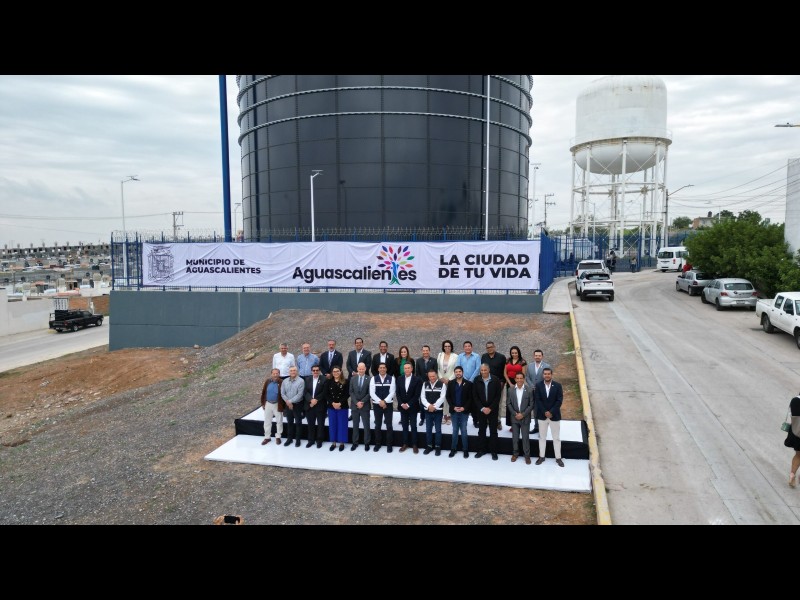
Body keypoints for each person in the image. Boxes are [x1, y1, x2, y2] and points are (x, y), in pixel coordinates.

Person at [533, 367, 564, 467]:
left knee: (556, 438)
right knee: (542, 437)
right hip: (542, 416)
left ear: (551, 375)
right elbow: (538, 400)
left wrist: (551, 412)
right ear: (543, 375)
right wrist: (545, 412)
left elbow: (559, 400)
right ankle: (541, 457)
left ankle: (558, 458)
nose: (547, 375)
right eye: (545, 374)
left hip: (554, 416)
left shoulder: (558, 385)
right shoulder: (538, 385)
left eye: (548, 374)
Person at [472, 363, 502, 460]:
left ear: (489, 370)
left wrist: (490, 408)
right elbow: (475, 396)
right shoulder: (476, 380)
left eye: (485, 370)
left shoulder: (495, 380)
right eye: (482, 370)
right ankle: (481, 450)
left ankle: (494, 451)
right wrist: (482, 408)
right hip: (481, 410)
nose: (483, 372)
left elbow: (498, 396)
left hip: (493, 410)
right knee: (481, 430)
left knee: (493, 431)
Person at [446, 366, 473, 458]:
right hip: (454, 411)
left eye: (459, 371)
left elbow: (470, 398)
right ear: (454, 373)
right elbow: (448, 397)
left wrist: (464, 408)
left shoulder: (468, 384)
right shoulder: (451, 383)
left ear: (462, 372)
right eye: (456, 372)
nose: (458, 373)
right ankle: (453, 449)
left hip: (464, 411)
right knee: (455, 430)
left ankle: (465, 449)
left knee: (464, 430)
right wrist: (453, 407)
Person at [396, 361, 422, 453]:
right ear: (404, 369)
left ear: (412, 369)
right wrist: (401, 404)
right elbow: (397, 393)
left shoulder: (417, 380)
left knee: (413, 426)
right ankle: (405, 443)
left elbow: (417, 395)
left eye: (408, 368)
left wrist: (408, 404)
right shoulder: (399, 378)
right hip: (402, 407)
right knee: (404, 426)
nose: (407, 369)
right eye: (405, 368)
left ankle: (415, 444)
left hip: (413, 407)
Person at [369, 362, 395, 453]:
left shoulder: (391, 378)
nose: (382, 369)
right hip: (377, 405)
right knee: (378, 425)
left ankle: (389, 444)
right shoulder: (373, 378)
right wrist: (380, 402)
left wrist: (385, 401)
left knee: (389, 425)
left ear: (386, 369)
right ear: (378, 369)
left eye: (384, 367)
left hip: (388, 405)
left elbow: (392, 392)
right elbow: (372, 392)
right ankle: (378, 444)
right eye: (381, 367)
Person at [480, 341, 506, 431]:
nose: (489, 349)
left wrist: (503, 382)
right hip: (486, 383)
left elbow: (504, 371)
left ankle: (498, 421)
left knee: (498, 403)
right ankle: (488, 420)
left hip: (498, 384)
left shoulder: (501, 357)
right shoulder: (484, 357)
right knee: (487, 402)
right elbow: (482, 370)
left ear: (494, 347)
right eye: (488, 347)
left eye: (491, 347)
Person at [508, 371, 533, 464]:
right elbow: (508, 403)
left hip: (525, 418)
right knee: (515, 438)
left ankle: (527, 456)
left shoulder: (529, 390)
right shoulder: (510, 390)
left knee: (525, 438)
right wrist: (515, 414)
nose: (519, 380)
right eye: (517, 378)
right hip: (514, 418)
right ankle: (515, 454)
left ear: (523, 379)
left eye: (521, 378)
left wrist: (523, 414)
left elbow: (531, 404)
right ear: (515, 379)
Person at [525, 349, 551, 435]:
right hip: (532, 391)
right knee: (535, 410)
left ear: (542, 356)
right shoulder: (530, 366)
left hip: (542, 392)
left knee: (542, 409)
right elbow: (527, 377)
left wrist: (540, 387)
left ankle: (543, 428)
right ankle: (536, 427)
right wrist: (532, 386)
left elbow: (548, 378)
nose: (537, 357)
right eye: (536, 355)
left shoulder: (547, 366)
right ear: (534, 356)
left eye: (539, 356)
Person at [421, 369, 446, 455]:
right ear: (428, 376)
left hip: (438, 411)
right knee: (428, 429)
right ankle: (429, 446)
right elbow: (422, 397)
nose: (432, 378)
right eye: (430, 376)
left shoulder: (442, 384)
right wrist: (429, 406)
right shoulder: (425, 384)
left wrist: (434, 406)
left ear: (436, 376)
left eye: (433, 376)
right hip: (428, 411)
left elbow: (442, 397)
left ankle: (438, 447)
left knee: (438, 429)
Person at [323, 366, 349, 452]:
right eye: (334, 371)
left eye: (337, 371)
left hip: (342, 406)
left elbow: (347, 394)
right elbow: (326, 394)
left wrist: (340, 403)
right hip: (332, 406)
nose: (336, 373)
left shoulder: (346, 381)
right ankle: (333, 443)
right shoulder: (328, 382)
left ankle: (341, 443)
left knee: (342, 425)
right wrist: (333, 403)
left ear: (341, 371)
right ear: (332, 373)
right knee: (332, 424)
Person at [349, 362, 372, 451]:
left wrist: (362, 402)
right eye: (360, 369)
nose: (361, 370)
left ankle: (367, 443)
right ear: (357, 369)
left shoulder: (369, 379)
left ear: (365, 369)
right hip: (354, 406)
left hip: (365, 406)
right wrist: (356, 402)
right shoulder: (353, 379)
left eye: (363, 369)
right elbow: (351, 392)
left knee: (366, 425)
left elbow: (370, 393)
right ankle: (355, 442)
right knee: (355, 425)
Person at [456, 341, 480, 425]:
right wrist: (465, 379)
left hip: (474, 382)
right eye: (465, 346)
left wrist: (470, 380)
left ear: (471, 347)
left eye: (469, 346)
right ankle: (462, 420)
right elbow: (458, 367)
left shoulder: (476, 356)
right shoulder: (460, 356)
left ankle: (475, 420)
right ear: (463, 348)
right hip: (463, 382)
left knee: (474, 402)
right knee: (463, 400)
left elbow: (478, 368)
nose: (467, 347)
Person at [280, 365, 305, 447]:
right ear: (289, 372)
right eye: (291, 371)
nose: (293, 372)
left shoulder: (301, 381)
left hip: (297, 405)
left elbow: (300, 394)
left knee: (298, 422)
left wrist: (290, 401)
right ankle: (289, 439)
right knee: (289, 422)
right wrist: (288, 402)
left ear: (297, 371)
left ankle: (298, 439)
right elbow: (282, 393)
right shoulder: (285, 381)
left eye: (294, 370)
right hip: (288, 405)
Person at [504, 345, 527, 429]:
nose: (514, 354)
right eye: (512, 353)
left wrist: (518, 384)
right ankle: (511, 424)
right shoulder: (507, 360)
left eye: (516, 353)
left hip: (519, 382)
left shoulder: (522, 361)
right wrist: (510, 383)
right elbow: (505, 373)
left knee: (518, 403)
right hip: (509, 383)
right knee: (510, 403)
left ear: (518, 353)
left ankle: (519, 423)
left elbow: (523, 374)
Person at [260, 368, 285, 445]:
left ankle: (278, 437)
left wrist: (283, 406)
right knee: (267, 421)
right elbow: (264, 392)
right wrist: (263, 403)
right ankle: (267, 437)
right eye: (274, 373)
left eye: (277, 373)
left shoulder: (282, 382)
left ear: (279, 374)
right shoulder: (267, 381)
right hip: (268, 404)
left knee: (279, 421)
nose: (275, 375)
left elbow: (284, 394)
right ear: (271, 374)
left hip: (277, 404)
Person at [303, 365, 326, 448]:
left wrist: (315, 400)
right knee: (310, 424)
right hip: (310, 406)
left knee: (320, 424)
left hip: (320, 405)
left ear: (319, 371)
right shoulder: (307, 379)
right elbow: (305, 392)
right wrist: (310, 400)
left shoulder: (324, 379)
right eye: (314, 370)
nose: (315, 372)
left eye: (317, 370)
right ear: (311, 371)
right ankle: (311, 440)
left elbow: (324, 392)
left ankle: (319, 440)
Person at [436, 340, 457, 425]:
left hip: (451, 380)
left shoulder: (455, 356)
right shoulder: (440, 355)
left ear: (451, 347)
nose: (447, 348)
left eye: (449, 346)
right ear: (443, 347)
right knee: (442, 397)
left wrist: (449, 379)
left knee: (449, 398)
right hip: (442, 380)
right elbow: (437, 368)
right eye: (445, 346)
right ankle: (444, 415)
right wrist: (441, 377)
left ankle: (449, 415)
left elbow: (456, 369)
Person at [784, 394, 800, 488]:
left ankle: (792, 475)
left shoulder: (795, 400)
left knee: (798, 455)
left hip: (796, 432)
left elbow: (791, 415)